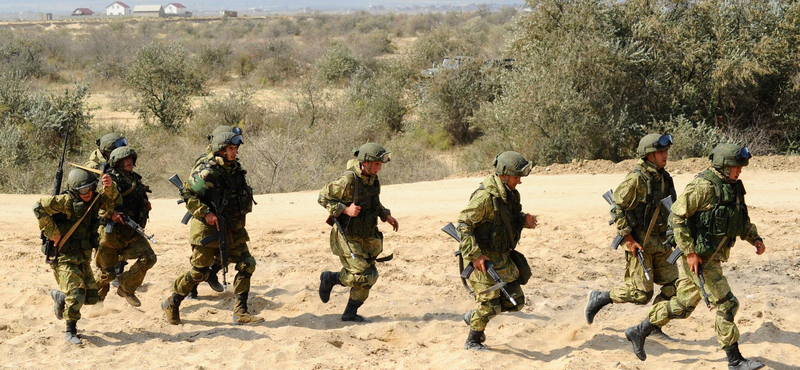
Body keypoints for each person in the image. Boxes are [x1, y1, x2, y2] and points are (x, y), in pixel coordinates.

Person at [624, 143, 766, 370]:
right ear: (722, 165)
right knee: (727, 303)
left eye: (740, 167)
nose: (739, 171)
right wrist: (689, 252)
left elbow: (741, 219)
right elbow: (677, 218)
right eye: (735, 166)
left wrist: (755, 239)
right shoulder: (702, 187)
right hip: (700, 258)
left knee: (682, 305)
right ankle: (735, 360)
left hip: (712, 256)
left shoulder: (733, 186)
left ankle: (639, 331)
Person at [161, 127, 263, 325]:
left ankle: (240, 312)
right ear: (221, 150)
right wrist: (205, 212)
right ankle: (172, 302)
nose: (235, 152)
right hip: (207, 229)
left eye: (236, 148)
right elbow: (187, 194)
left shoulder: (234, 169)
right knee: (199, 272)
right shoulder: (208, 171)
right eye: (231, 148)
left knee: (247, 264)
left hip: (232, 227)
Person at [585, 134, 678, 340]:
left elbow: (672, 208)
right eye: (661, 152)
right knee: (641, 294)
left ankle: (653, 326)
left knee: (674, 286)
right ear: (649, 156)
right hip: (640, 242)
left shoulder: (665, 178)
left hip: (661, 241)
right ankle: (601, 297)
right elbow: (617, 208)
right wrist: (629, 240)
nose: (665, 155)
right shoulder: (636, 179)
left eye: (665, 151)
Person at [456, 151, 538, 351]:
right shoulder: (485, 197)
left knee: (515, 301)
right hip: (483, 262)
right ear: (503, 175)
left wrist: (524, 221)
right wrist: (475, 256)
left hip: (502, 258)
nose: (519, 181)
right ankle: (473, 340)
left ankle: (472, 317)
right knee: (489, 305)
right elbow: (463, 224)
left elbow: (509, 219)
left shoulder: (510, 195)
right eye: (516, 176)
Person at [34, 168, 117, 344]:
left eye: (90, 188)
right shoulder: (65, 201)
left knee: (91, 297)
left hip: (82, 254)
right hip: (63, 255)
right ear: (74, 190)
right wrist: (52, 232)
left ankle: (61, 297)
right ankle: (70, 330)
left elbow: (110, 204)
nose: (86, 193)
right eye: (82, 190)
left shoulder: (95, 198)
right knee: (77, 294)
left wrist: (109, 188)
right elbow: (38, 206)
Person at [317, 143, 399, 322]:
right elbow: (323, 197)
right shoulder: (349, 179)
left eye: (380, 164)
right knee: (362, 275)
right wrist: (344, 210)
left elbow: (374, 203)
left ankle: (350, 313)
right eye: (377, 164)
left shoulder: (373, 179)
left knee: (370, 276)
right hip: (348, 236)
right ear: (366, 163)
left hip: (368, 236)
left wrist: (386, 215)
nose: (379, 168)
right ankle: (330, 278)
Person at [94, 146, 157, 307]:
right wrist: (111, 214)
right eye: (125, 160)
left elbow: (137, 199)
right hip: (110, 235)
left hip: (131, 232)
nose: (129, 162)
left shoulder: (135, 179)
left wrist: (145, 204)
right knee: (106, 275)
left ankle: (126, 287)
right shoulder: (109, 180)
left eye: (131, 159)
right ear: (117, 162)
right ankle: (87, 297)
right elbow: (98, 205)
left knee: (149, 258)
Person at [85, 132, 129, 286]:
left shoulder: (115, 162)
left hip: (115, 207)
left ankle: (117, 270)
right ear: (106, 151)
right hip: (99, 213)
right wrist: (109, 212)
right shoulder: (93, 168)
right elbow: (91, 196)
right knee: (102, 246)